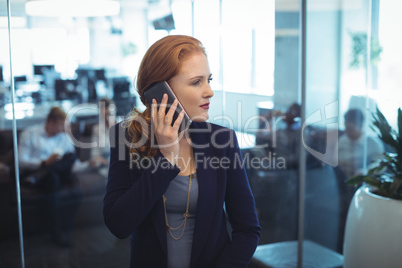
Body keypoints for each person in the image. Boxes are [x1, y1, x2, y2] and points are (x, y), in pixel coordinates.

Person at [103, 35, 261, 268]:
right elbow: (119, 225)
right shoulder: (127, 137)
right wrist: (166, 158)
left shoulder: (222, 140)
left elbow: (248, 229)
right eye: (196, 82)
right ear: (160, 90)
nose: (209, 92)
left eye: (209, 80)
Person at [18, 106, 82, 247]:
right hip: (34, 172)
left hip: (52, 174)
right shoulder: (29, 134)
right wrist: (45, 163)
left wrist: (89, 164)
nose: (63, 129)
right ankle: (56, 232)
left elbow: (73, 162)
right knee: (52, 176)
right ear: (51, 122)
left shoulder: (64, 137)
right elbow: (21, 162)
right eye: (61, 125)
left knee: (70, 156)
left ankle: (45, 173)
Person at [338, 108, 384, 179]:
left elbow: (381, 164)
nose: (346, 132)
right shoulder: (342, 140)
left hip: (365, 180)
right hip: (341, 179)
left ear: (360, 126)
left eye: (350, 129)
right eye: (345, 128)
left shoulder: (373, 143)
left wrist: (366, 172)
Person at [88, 97, 116, 177]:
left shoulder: (123, 126)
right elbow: (94, 154)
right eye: (104, 114)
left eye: (109, 114)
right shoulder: (97, 129)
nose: (107, 117)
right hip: (105, 168)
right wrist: (97, 160)